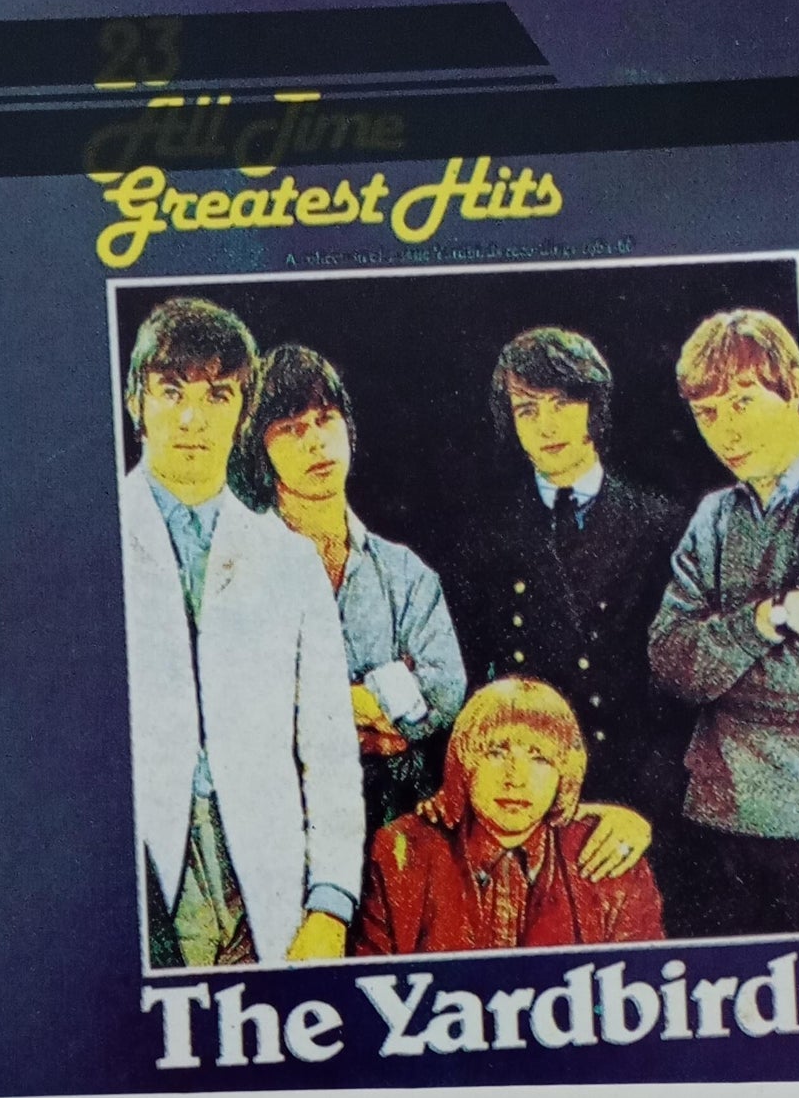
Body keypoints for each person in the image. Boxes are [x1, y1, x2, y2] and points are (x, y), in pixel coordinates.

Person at [118, 296, 363, 970]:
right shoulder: (86, 544)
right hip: (141, 873)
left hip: (265, 881)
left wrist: (330, 904)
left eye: (218, 394)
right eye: (172, 391)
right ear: (136, 401)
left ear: (243, 410)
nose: (192, 418)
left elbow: (330, 749)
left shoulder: (289, 561)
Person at [450, 325, 686, 838]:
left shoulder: (660, 524)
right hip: (519, 793)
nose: (546, 425)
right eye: (527, 410)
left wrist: (643, 809)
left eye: (561, 403)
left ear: (594, 406)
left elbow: (676, 693)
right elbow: (467, 677)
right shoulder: (486, 532)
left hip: (625, 797)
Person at [232, 343, 466, 836]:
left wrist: (309, 706)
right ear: (259, 449)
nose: (316, 441)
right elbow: (241, 707)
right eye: (290, 428)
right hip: (275, 823)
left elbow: (445, 689)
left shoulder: (405, 573)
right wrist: (381, 695)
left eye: (325, 419)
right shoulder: (237, 568)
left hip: (395, 820)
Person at [648, 307, 799, 936]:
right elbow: (670, 663)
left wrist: (718, 661)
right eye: (707, 413)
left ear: (796, 386)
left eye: (744, 401)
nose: (727, 430)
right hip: (716, 817)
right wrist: (773, 616)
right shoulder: (714, 516)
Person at [352, 679, 664, 955]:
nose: (516, 778)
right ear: (465, 763)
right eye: (496, 753)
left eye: (539, 758)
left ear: (564, 774)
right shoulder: (401, 853)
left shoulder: (609, 857)